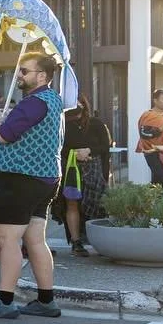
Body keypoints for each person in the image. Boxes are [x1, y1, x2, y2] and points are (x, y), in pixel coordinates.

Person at [0, 52, 64, 319]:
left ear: (42, 76)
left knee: (7, 239)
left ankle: (4, 300)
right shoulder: (53, 100)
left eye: (25, 71)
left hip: (20, 179)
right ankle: (46, 300)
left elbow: (3, 136)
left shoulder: (33, 103)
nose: (19, 75)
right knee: (36, 239)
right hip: (45, 178)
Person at [52, 94, 112, 255]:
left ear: (83, 105)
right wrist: (74, 153)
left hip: (94, 169)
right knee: (72, 203)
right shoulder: (62, 125)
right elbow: (57, 147)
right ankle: (76, 242)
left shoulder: (96, 124)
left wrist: (89, 150)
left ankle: (99, 241)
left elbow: (105, 146)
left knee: (97, 205)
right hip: (71, 168)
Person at [135, 88, 163, 192]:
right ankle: (151, 201)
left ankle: (161, 204)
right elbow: (143, 134)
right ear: (155, 100)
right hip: (151, 150)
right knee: (159, 176)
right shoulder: (148, 115)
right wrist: (160, 129)